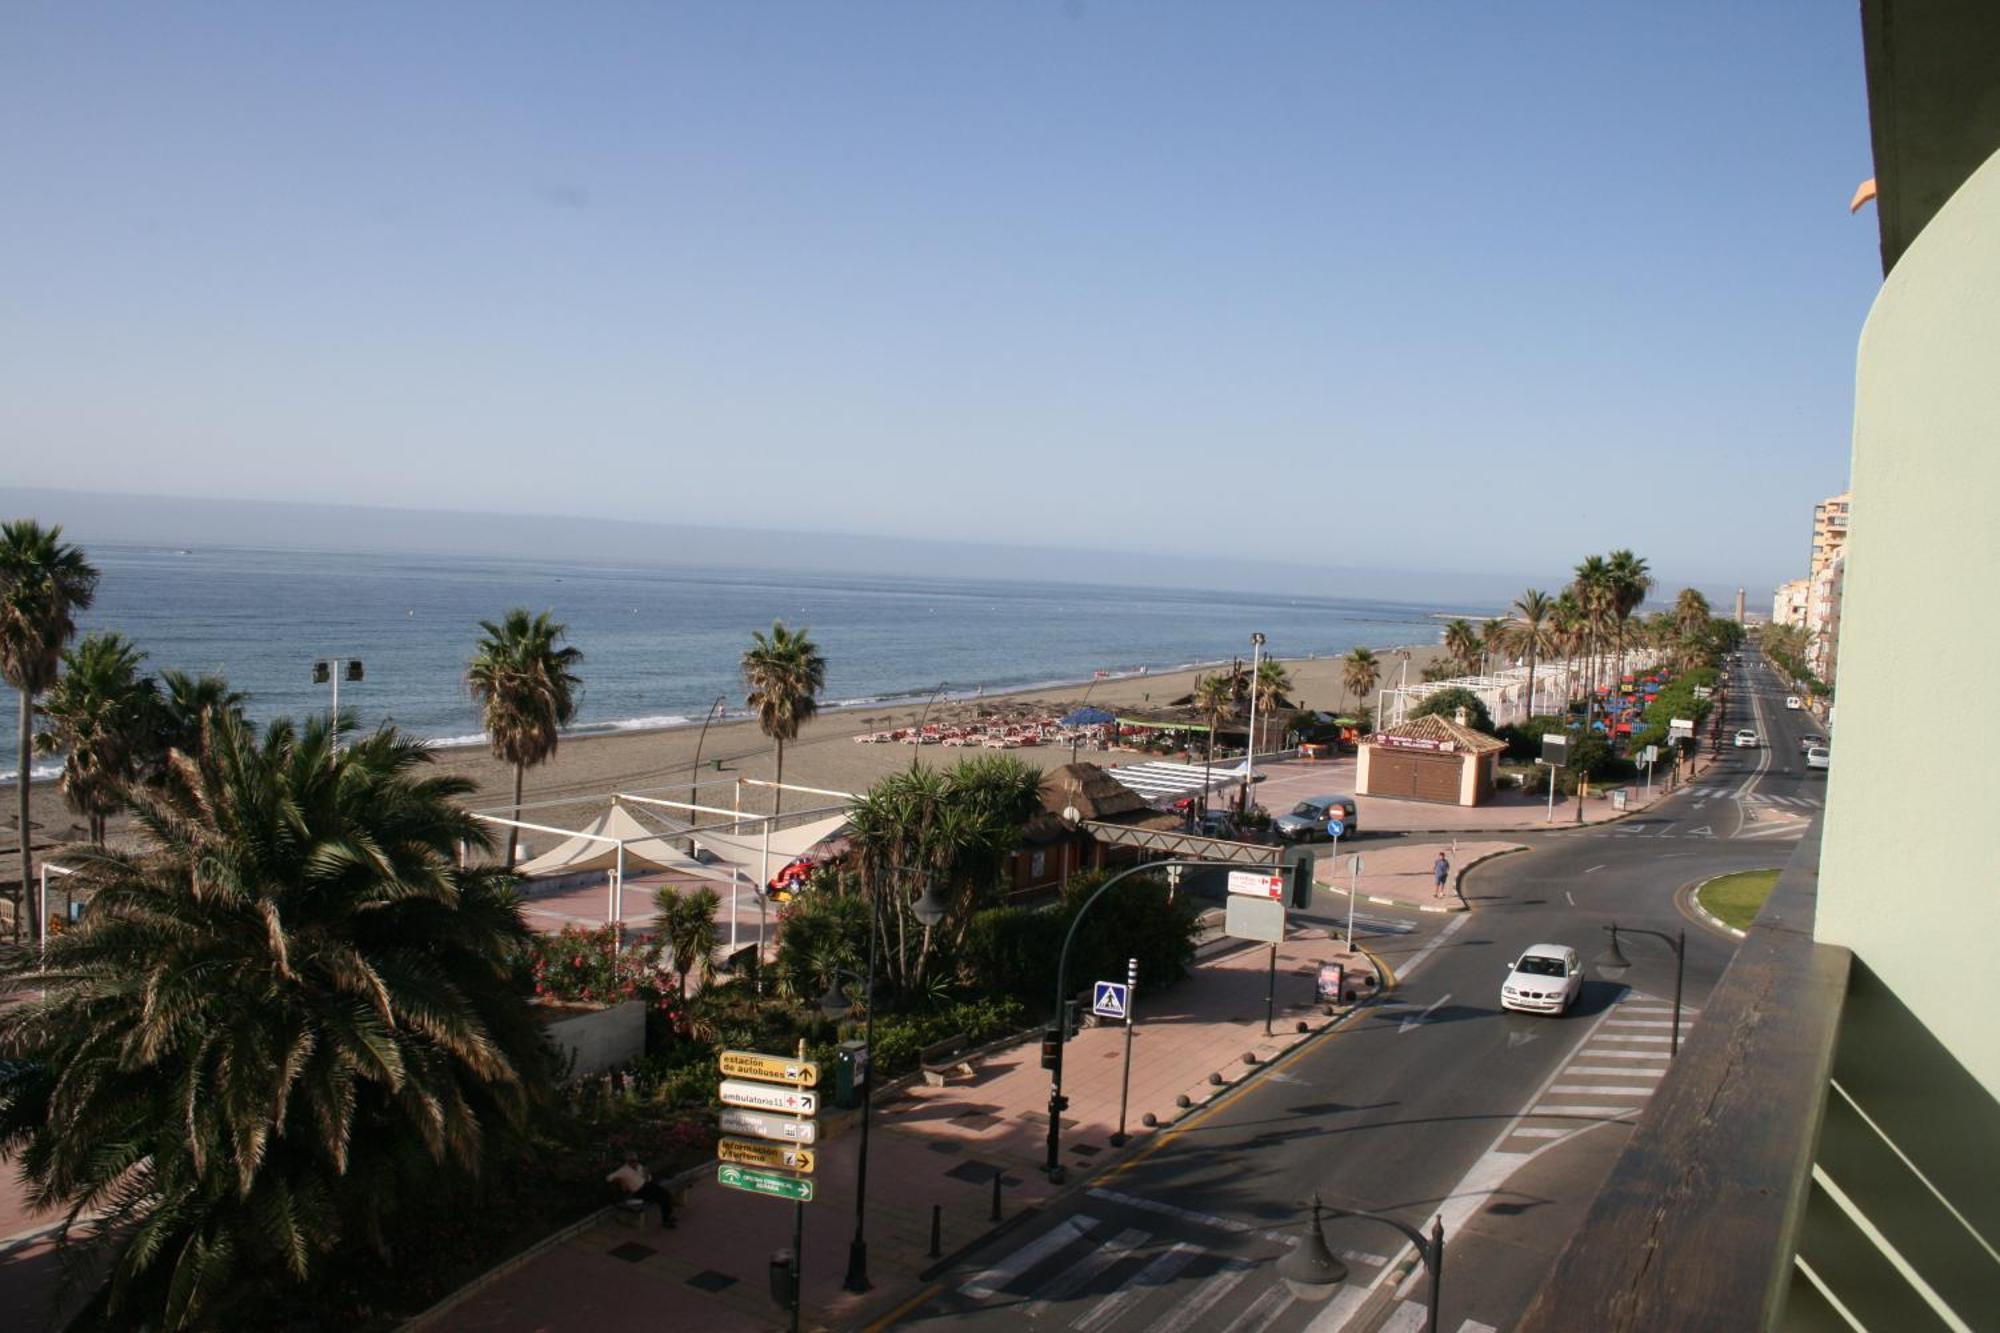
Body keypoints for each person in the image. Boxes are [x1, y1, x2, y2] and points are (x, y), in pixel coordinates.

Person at [608, 1155, 677, 1228]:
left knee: (665, 1193)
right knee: (662, 1197)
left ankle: (668, 1217)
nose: (634, 1163)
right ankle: (666, 1220)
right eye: (631, 1161)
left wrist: (646, 1175)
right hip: (639, 1191)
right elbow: (609, 1178)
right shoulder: (623, 1170)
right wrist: (620, 1180)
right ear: (627, 1162)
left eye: (635, 1161)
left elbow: (648, 1178)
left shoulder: (639, 1167)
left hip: (647, 1185)